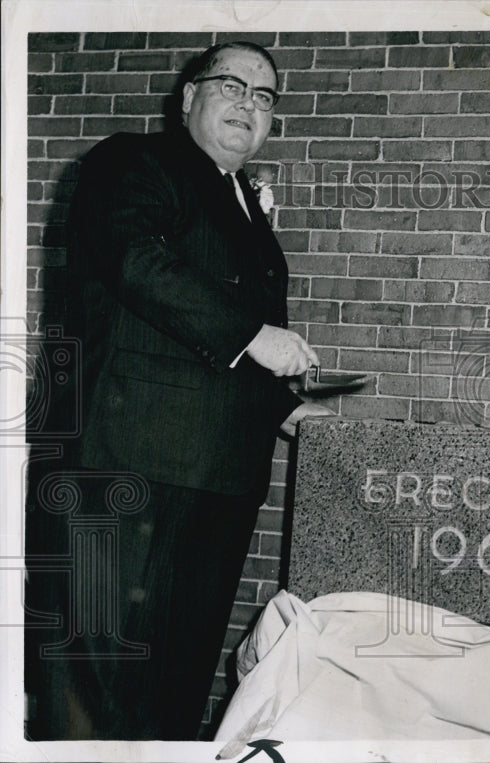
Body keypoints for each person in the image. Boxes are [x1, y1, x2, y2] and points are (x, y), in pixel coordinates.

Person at [25, 41, 331, 740]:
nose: (248, 103)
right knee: (93, 676)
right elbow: (137, 259)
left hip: (217, 480)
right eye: (232, 85)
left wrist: (291, 411)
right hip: (123, 465)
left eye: (264, 96)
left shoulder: (248, 211)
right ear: (187, 97)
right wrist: (253, 335)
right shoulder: (132, 163)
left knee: (175, 682)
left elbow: (232, 351)